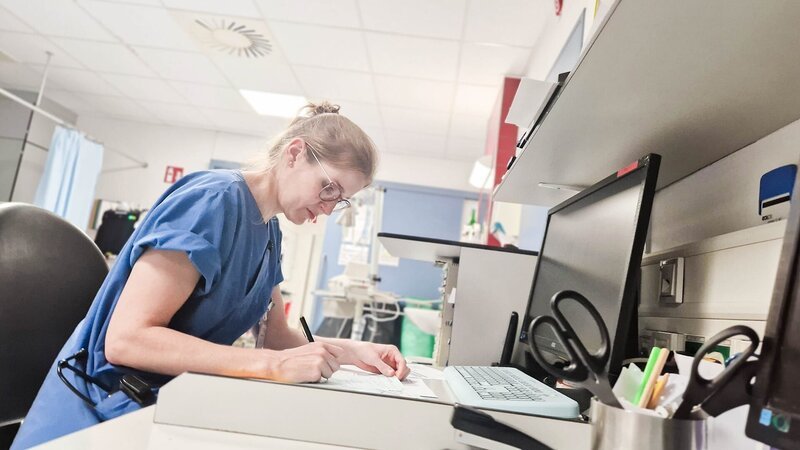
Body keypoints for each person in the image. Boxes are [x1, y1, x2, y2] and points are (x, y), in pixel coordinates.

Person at [12, 102, 410, 449]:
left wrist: (354, 354)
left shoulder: (269, 231)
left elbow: (276, 337)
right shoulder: (212, 202)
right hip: (98, 413)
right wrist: (271, 367)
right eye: (328, 189)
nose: (327, 209)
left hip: (157, 407)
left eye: (339, 201)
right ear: (294, 154)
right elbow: (127, 340)